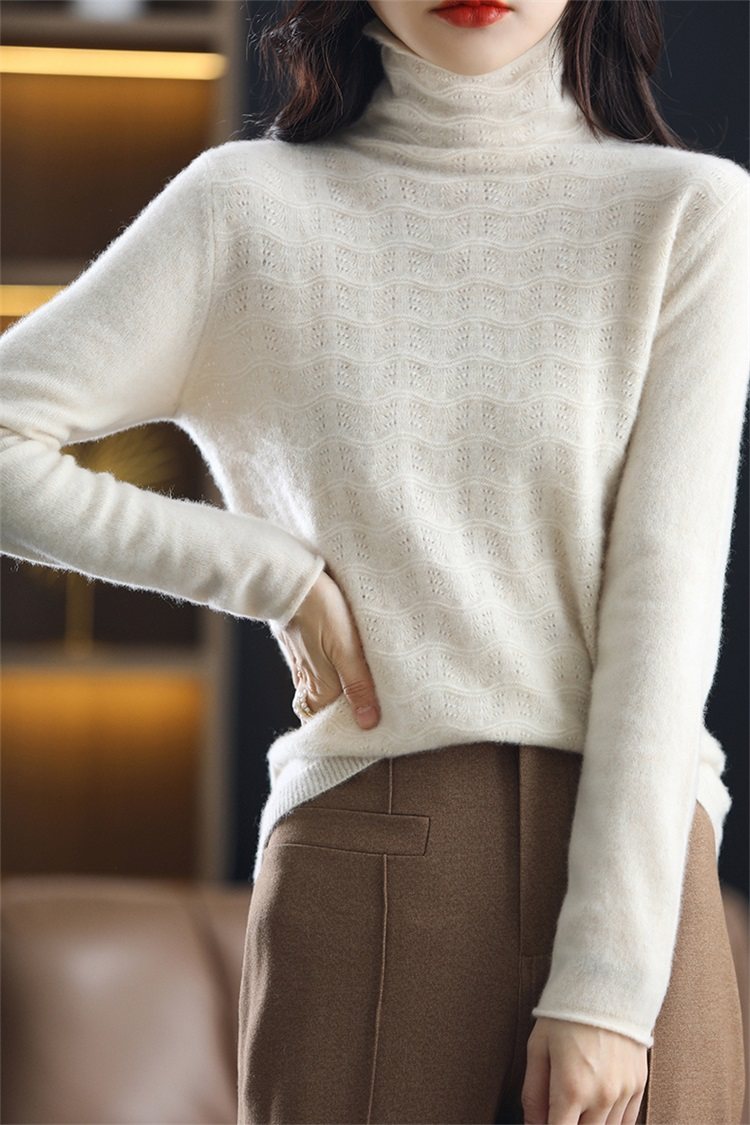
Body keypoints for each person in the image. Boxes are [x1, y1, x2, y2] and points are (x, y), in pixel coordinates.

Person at [0, 0, 747, 1122]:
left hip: (643, 892)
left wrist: (607, 982)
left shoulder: (687, 212)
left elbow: (666, 601)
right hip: (369, 860)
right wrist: (272, 574)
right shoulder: (245, 211)